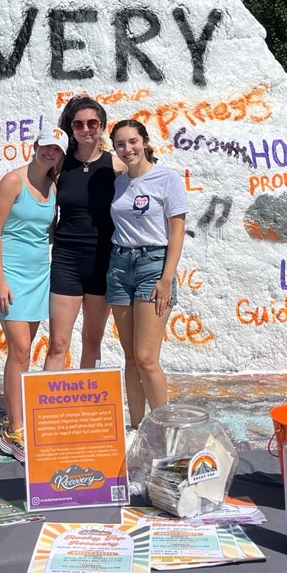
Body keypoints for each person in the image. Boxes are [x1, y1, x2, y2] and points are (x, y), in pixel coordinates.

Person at [0, 128, 68, 461]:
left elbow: (45, 233)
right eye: (46, 147)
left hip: (38, 276)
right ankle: (14, 432)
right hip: (11, 276)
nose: (51, 153)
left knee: (25, 351)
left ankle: (13, 417)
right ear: (35, 147)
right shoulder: (13, 181)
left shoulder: (53, 186)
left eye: (57, 150)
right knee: (19, 349)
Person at [105, 119, 188, 429]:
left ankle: (164, 428)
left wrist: (166, 279)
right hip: (119, 264)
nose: (128, 149)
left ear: (145, 142)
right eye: (120, 144)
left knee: (146, 358)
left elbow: (177, 232)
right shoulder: (119, 182)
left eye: (133, 141)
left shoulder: (167, 179)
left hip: (153, 264)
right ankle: (138, 427)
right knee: (129, 357)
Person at [46, 95, 122, 371]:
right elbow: (32, 187)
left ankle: (87, 410)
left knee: (92, 340)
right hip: (66, 261)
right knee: (57, 343)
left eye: (92, 123)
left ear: (101, 126)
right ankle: (47, 410)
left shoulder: (116, 167)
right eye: (78, 124)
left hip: (103, 261)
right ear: (71, 128)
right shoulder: (59, 165)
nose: (86, 129)